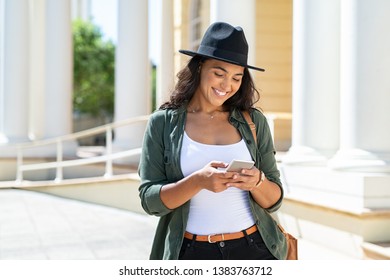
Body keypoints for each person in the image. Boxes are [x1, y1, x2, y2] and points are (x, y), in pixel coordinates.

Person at [138, 21, 287, 260]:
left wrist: (257, 182)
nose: (227, 86)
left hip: (255, 248)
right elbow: (150, 201)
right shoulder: (163, 123)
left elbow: (275, 200)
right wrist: (197, 181)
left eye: (237, 78)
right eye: (219, 74)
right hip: (191, 252)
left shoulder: (253, 121)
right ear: (199, 68)